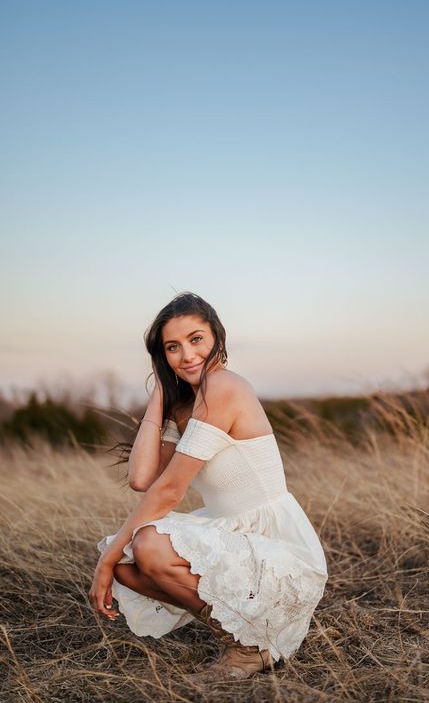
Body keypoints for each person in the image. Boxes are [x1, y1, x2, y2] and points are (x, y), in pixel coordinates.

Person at [89, 292, 328, 682]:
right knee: (127, 567)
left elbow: (167, 492)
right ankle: (248, 635)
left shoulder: (224, 387)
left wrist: (103, 560)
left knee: (140, 546)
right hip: (233, 534)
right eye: (172, 347)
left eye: (196, 339)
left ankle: (250, 647)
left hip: (279, 550)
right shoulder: (185, 404)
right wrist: (160, 396)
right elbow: (142, 479)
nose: (186, 356)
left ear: (218, 336)